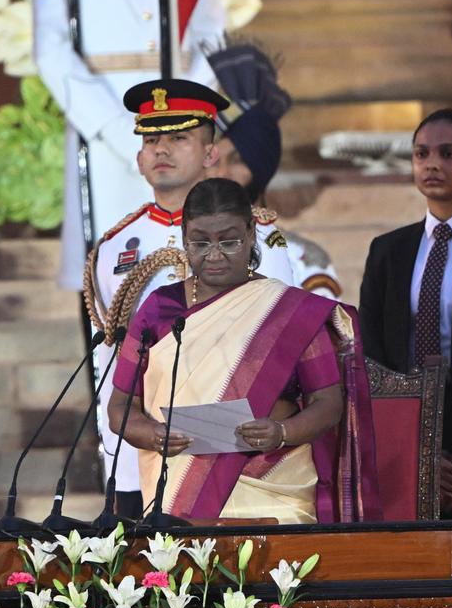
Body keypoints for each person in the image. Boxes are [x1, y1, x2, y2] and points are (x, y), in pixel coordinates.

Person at [107, 178, 382, 523]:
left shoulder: (286, 310)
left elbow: (328, 403)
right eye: (201, 243)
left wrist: (283, 433)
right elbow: (120, 408)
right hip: (179, 488)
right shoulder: (159, 310)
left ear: (252, 233)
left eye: (230, 241)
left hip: (275, 484)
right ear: (184, 237)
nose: (215, 255)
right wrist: (150, 434)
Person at [83, 79, 295, 518]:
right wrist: (117, 444)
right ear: (139, 159)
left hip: (231, 449)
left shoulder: (261, 237)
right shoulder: (114, 246)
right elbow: (109, 360)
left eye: (179, 137)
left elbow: (275, 345)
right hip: (138, 452)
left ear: (210, 153)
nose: (162, 150)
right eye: (152, 139)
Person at [32, 0, 224, 291]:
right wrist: (117, 130)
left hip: (182, 132)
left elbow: (212, 38)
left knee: (187, 270)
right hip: (101, 136)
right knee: (110, 277)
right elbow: (51, 49)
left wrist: (187, 119)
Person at [358, 108, 452, 519]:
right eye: (422, 154)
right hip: (401, 446)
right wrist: (415, 451)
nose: (433, 164)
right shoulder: (388, 251)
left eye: (448, 153)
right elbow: (372, 359)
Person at [204, 41, 344, 298]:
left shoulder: (303, 259)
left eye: (237, 160)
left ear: (261, 165)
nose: (221, 173)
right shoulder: (174, 251)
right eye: (214, 160)